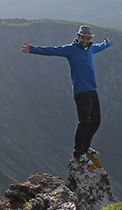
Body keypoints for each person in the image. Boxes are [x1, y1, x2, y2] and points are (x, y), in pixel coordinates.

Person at [20, 25, 113, 162]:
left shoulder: (90, 49)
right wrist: (32, 49)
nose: (85, 40)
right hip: (81, 92)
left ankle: (86, 147)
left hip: (92, 90)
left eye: (88, 38)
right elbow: (52, 50)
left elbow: (99, 47)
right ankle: (78, 151)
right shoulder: (70, 50)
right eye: (83, 38)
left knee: (96, 121)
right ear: (78, 37)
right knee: (84, 122)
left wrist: (106, 44)